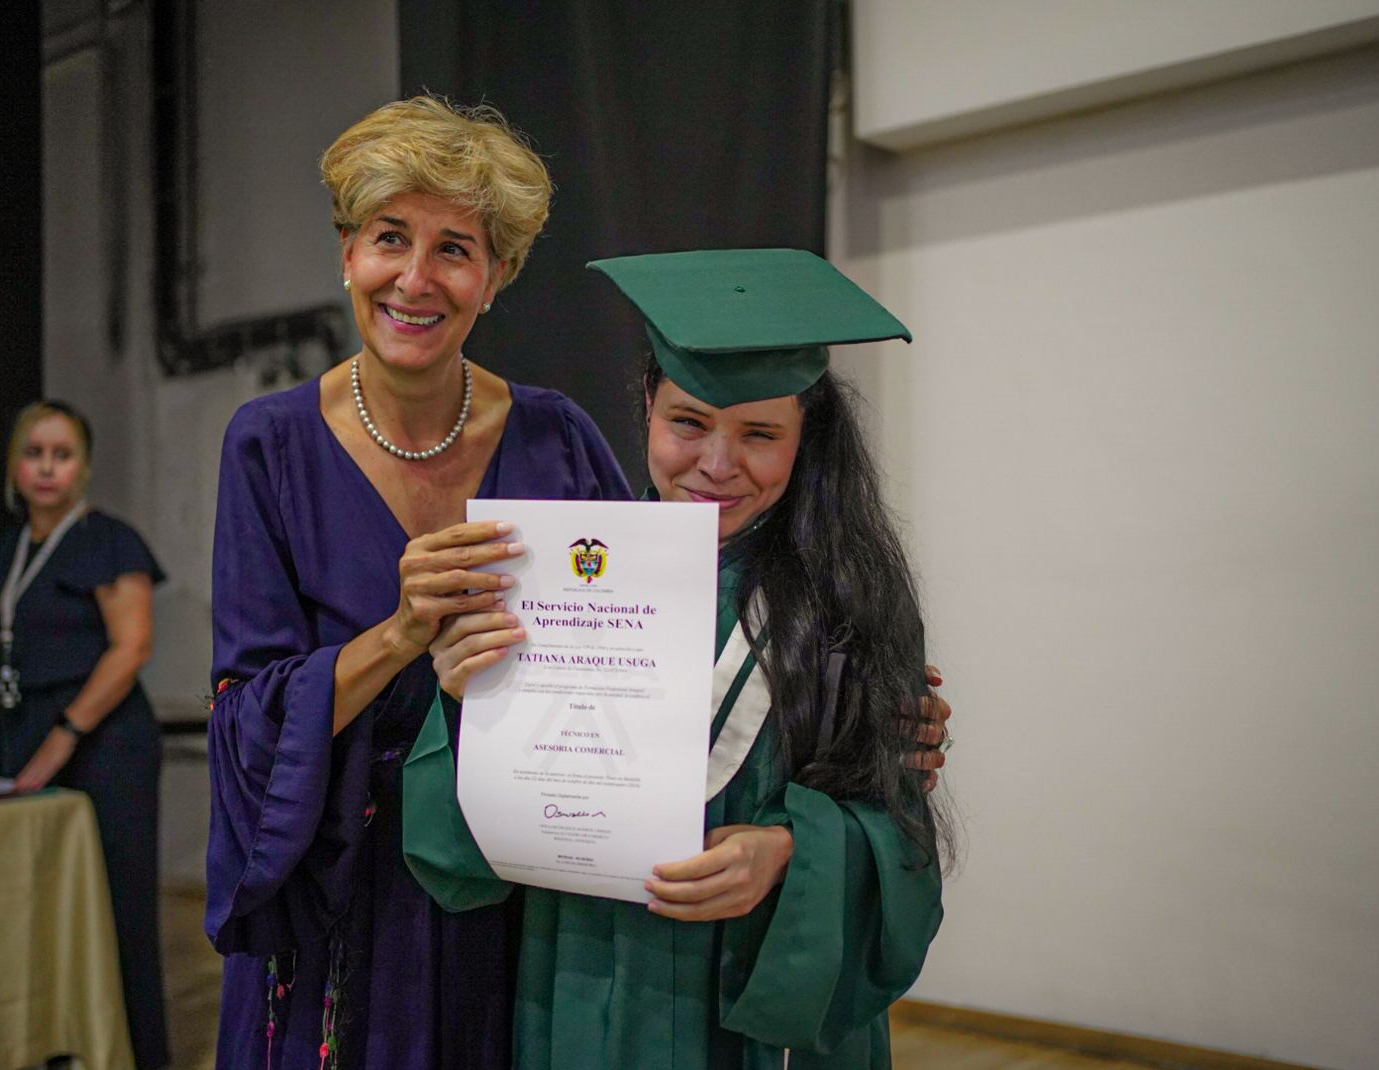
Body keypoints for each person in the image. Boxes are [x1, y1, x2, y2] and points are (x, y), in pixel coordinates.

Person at [405, 248, 949, 1068]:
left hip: (755, 997)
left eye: (760, 434)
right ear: (647, 410)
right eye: (688, 423)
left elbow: (899, 836)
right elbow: (454, 849)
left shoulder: (854, 601)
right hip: (586, 978)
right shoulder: (553, 581)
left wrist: (790, 854)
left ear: (806, 441)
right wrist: (462, 703)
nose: (717, 465)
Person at [203, 97, 632, 1070]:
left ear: (497, 276)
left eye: (455, 249)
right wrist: (401, 633)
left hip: (511, 895)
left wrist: (850, 715)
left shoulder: (559, 438)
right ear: (347, 253)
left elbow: (653, 650)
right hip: (338, 908)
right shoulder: (269, 445)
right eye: (390, 237)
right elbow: (243, 722)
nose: (415, 278)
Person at [0, 398, 170, 1070]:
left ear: (84, 468)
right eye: (34, 454)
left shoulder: (109, 540)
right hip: (27, 730)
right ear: (13, 468)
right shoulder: (11, 549)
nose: (48, 468)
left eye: (63, 454)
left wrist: (65, 735)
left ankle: (137, 1053)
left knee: (115, 904)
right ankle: (62, 1046)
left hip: (104, 740)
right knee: (38, 900)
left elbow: (131, 648)